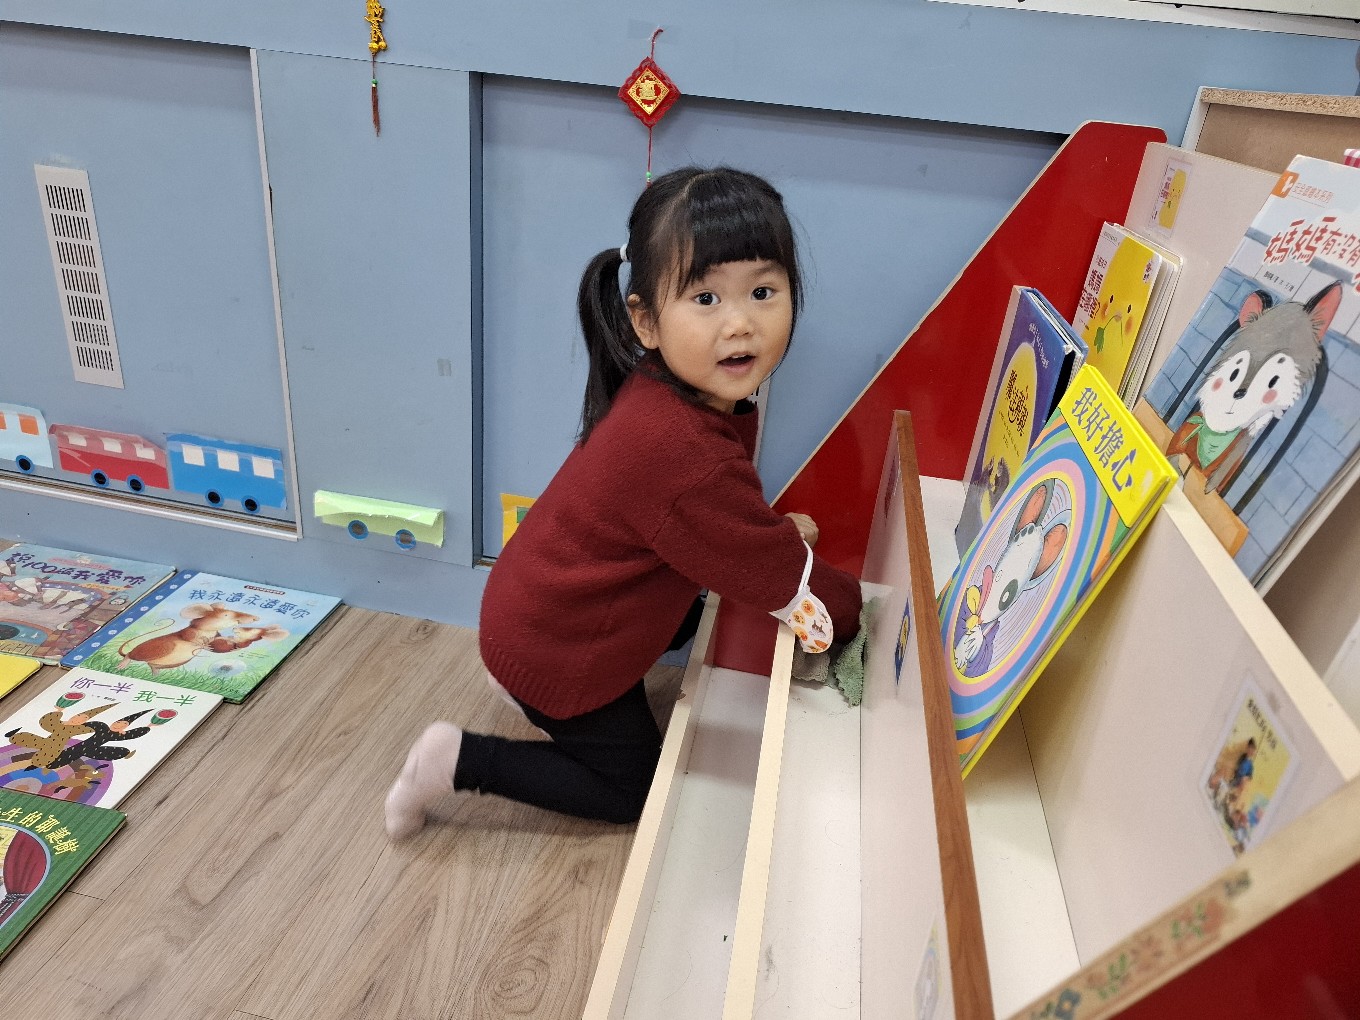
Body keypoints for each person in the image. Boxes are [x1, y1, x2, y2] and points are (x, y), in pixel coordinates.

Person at [385, 166, 863, 838]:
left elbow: (718, 528)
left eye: (763, 292)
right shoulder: (680, 448)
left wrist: (770, 538)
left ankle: (522, 690)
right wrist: (852, 614)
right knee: (634, 790)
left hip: (539, 607)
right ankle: (457, 760)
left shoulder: (673, 392)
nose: (740, 324)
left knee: (712, 599)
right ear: (645, 321)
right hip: (557, 647)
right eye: (705, 298)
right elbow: (776, 575)